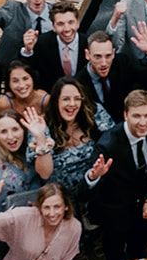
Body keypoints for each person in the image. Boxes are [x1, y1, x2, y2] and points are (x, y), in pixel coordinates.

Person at [90, 89, 147, 260]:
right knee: (115, 254)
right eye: (136, 116)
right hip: (116, 212)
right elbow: (87, 188)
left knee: (139, 249)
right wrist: (94, 177)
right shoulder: (107, 145)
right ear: (125, 115)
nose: (143, 122)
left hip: (143, 209)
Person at [31, 77, 103, 211]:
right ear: (56, 101)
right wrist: (41, 139)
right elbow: (44, 174)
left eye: (77, 98)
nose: (72, 104)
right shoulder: (41, 126)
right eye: (66, 99)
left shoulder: (94, 113)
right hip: (58, 203)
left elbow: (112, 141)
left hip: (93, 194)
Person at [23, 1, 88, 89]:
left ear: (78, 23)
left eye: (71, 22)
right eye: (60, 24)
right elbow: (27, 70)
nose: (67, 29)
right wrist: (28, 50)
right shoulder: (42, 43)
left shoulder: (89, 43)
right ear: (53, 27)